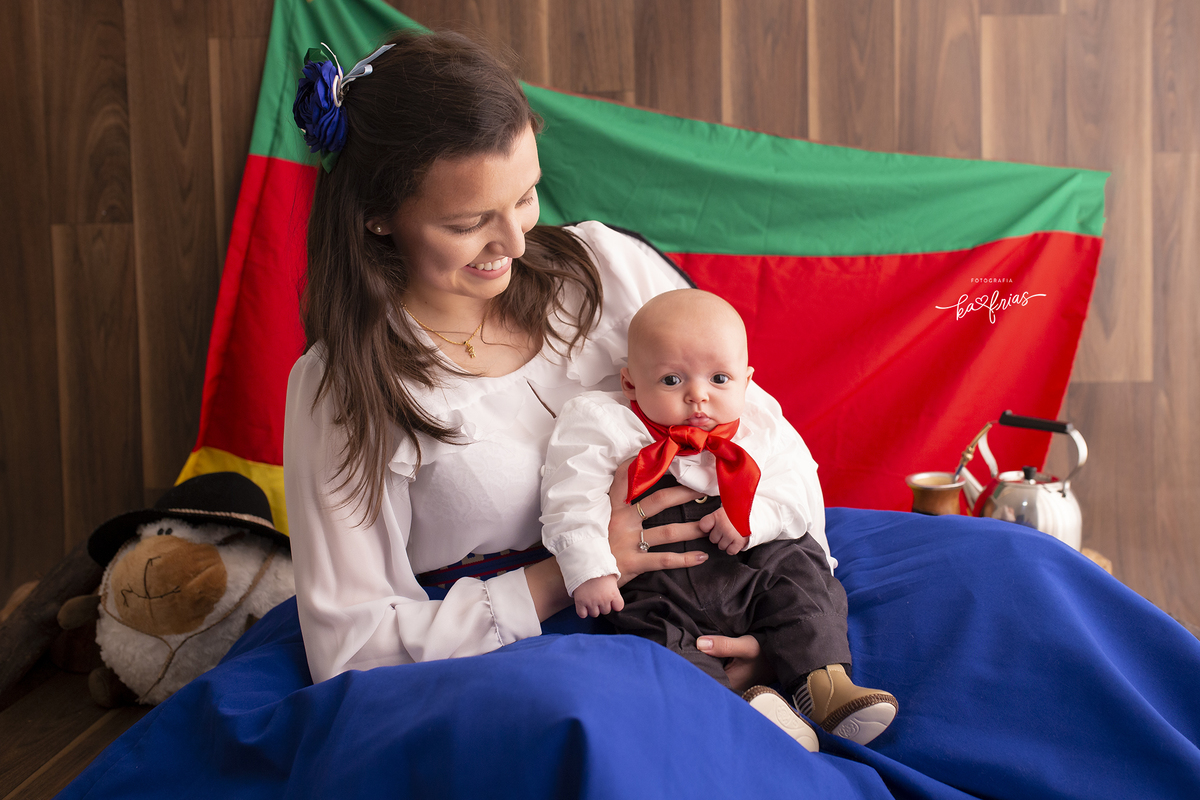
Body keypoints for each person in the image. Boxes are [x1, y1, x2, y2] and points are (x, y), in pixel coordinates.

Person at [283, 30, 769, 697]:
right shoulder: (340, 388)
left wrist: (772, 613)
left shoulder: (606, 267)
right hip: (514, 653)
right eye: (466, 224)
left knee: (954, 576)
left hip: (722, 585)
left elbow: (753, 420)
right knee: (608, 725)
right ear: (377, 217)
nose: (514, 243)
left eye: (524, 196)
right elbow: (352, 646)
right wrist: (566, 571)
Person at [540, 289, 898, 750]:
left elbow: (798, 492)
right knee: (652, 636)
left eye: (720, 378)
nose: (698, 397)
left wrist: (752, 519)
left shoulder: (760, 424)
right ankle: (741, 702)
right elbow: (570, 494)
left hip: (752, 559)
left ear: (747, 381)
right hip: (657, 576)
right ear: (631, 384)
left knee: (801, 579)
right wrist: (590, 568)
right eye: (671, 380)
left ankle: (825, 686)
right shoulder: (600, 421)